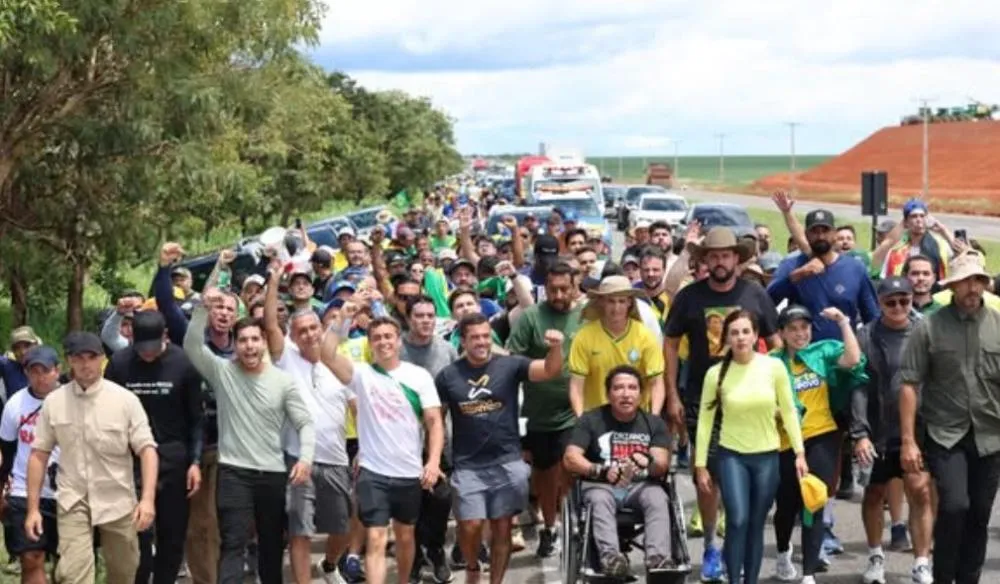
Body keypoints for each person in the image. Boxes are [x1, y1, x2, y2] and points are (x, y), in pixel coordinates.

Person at [664, 227, 780, 581]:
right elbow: (670, 344)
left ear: (736, 259)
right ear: (705, 261)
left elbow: (776, 343)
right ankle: (711, 546)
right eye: (713, 256)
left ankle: (735, 548)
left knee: (741, 479)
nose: (719, 262)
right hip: (703, 399)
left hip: (749, 401)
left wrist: (778, 391)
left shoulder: (754, 294)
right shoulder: (689, 297)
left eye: (726, 255)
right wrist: (672, 394)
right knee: (707, 477)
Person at [184, 287, 315, 584]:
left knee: (271, 544)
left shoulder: (283, 382)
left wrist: (305, 459)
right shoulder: (222, 373)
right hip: (234, 473)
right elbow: (192, 345)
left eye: (255, 339)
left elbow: (305, 422)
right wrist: (202, 309)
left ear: (264, 342)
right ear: (236, 345)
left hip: (272, 473)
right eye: (242, 340)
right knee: (233, 542)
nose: (249, 346)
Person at [436, 313, 563, 583]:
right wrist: (434, 459)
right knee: (470, 525)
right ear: (463, 341)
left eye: (486, 336)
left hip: (507, 461)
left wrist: (555, 348)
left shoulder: (510, 365)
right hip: (468, 465)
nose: (482, 342)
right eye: (475, 338)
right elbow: (436, 421)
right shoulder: (448, 376)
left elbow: (549, 370)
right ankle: (473, 566)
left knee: (502, 528)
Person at [319, 314, 445, 584]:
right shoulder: (361, 374)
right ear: (370, 343)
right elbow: (326, 354)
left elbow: (434, 422)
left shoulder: (418, 376)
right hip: (372, 471)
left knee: (405, 536)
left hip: (408, 471)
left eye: (388, 336)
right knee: (376, 536)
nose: (383, 342)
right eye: (376, 338)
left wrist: (433, 462)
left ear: (399, 341)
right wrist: (344, 316)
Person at [899, 251, 1000, 584]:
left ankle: (968, 579)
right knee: (954, 506)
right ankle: (943, 576)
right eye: (965, 281)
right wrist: (909, 441)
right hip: (945, 433)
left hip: (990, 435)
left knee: (979, 514)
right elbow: (909, 384)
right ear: (953, 286)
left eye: (978, 280)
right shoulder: (929, 327)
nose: (973, 288)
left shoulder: (998, 325)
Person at [26, 332, 159, 584]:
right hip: (73, 500)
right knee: (73, 574)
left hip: (117, 500)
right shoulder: (54, 402)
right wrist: (33, 509)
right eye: (79, 358)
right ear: (69, 361)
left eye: (92, 357)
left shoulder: (125, 400)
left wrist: (148, 500)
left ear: (102, 359)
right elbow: (38, 455)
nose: (85, 364)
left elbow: (147, 450)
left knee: (124, 572)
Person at [695, 311, 807, 584]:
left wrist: (799, 452)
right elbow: (705, 421)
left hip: (767, 456)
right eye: (734, 333)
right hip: (731, 455)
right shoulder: (715, 374)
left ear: (756, 335)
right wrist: (700, 465)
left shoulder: (774, 367)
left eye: (746, 331)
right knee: (737, 520)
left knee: (756, 524)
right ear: (726, 338)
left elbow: (789, 410)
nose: (741, 338)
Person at [261, 265, 355, 584]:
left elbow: (358, 407)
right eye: (302, 331)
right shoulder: (285, 359)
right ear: (293, 337)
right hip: (298, 458)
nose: (310, 335)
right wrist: (274, 280)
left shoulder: (337, 362)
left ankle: (329, 566)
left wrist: (366, 449)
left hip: (336, 458)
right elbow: (270, 324)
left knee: (342, 526)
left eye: (314, 328)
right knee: (299, 530)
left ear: (322, 328)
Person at [103, 311, 204, 584]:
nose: (147, 354)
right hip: (131, 460)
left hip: (173, 458)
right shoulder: (119, 364)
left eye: (153, 347)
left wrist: (195, 462)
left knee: (172, 536)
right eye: (141, 348)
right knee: (137, 535)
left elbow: (196, 419)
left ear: (165, 337)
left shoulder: (183, 363)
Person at [770, 305, 867, 584]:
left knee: (813, 501)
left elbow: (853, 359)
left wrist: (843, 322)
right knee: (786, 506)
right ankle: (783, 551)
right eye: (793, 329)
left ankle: (809, 574)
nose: (800, 334)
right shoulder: (771, 362)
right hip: (786, 442)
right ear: (782, 333)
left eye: (805, 327)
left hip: (822, 435)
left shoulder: (822, 352)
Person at [850, 276, 934, 584]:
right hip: (877, 429)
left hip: (918, 428)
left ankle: (921, 561)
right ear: (880, 303)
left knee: (920, 491)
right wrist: (860, 433)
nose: (898, 307)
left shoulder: (926, 331)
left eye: (904, 300)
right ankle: (875, 556)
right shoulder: (866, 335)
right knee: (874, 493)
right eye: (891, 302)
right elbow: (858, 386)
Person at [562, 365, 674, 578]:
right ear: (608, 394)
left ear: (641, 394)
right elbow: (570, 458)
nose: (625, 394)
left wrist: (648, 461)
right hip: (601, 485)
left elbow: (662, 463)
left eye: (632, 388)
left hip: (640, 486)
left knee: (658, 497)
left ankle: (658, 559)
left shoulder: (654, 423)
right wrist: (599, 470)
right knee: (599, 499)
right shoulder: (590, 420)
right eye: (618, 388)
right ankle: (611, 559)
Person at [506, 262, 582, 558]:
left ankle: (572, 523)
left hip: (574, 410)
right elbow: (514, 359)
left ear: (575, 287)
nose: (558, 295)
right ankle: (550, 527)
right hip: (538, 414)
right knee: (546, 476)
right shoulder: (531, 317)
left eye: (564, 289)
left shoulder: (586, 316)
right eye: (553, 289)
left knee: (570, 467)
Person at [400, 296, 459, 584]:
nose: (425, 321)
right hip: (403, 440)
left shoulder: (447, 350)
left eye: (430, 315)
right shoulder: (396, 348)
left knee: (440, 498)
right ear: (408, 318)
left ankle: (435, 549)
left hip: (439, 439)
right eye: (419, 315)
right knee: (411, 502)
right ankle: (414, 558)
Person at [766, 209, 879, 340]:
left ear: (834, 234)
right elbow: (767, 302)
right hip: (804, 349)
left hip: (843, 349)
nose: (820, 236)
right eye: (815, 232)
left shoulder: (855, 268)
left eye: (825, 231)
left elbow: (871, 316)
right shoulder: (792, 265)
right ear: (806, 235)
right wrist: (798, 274)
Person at [0, 346, 62, 584]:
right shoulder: (15, 404)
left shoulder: (72, 400)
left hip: (65, 489)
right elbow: (7, 452)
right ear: (26, 373)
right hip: (23, 489)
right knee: (31, 557)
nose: (40, 377)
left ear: (57, 371)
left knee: (66, 562)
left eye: (45, 371)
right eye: (34, 371)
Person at [568, 276, 667, 417]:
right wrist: (581, 420)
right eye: (611, 301)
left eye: (621, 301)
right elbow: (576, 385)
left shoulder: (644, 336)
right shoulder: (584, 337)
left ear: (629, 303)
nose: (616, 308)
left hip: (636, 419)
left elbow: (656, 382)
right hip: (596, 419)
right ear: (601, 302)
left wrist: (653, 419)